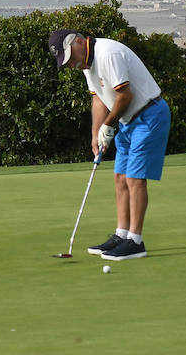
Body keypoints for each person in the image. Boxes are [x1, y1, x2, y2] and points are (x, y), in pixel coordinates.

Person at [49, 28, 171, 261]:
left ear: (77, 42)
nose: (71, 64)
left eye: (70, 57)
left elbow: (125, 96)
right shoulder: (86, 65)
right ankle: (121, 234)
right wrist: (96, 133)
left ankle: (135, 241)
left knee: (135, 178)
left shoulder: (107, 53)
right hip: (127, 119)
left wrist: (108, 125)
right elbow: (98, 98)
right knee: (120, 177)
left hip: (149, 114)